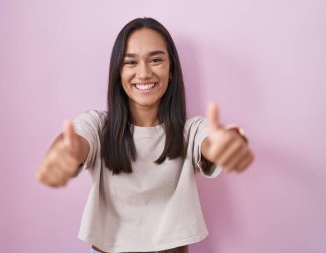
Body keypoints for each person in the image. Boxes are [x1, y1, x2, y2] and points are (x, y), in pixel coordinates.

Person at [36, 17, 254, 253]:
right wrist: (66, 151)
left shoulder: (189, 130)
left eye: (156, 60)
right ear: (118, 73)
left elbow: (213, 141)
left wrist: (231, 141)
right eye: (131, 62)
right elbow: (77, 140)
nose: (144, 73)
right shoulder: (99, 126)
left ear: (171, 69)